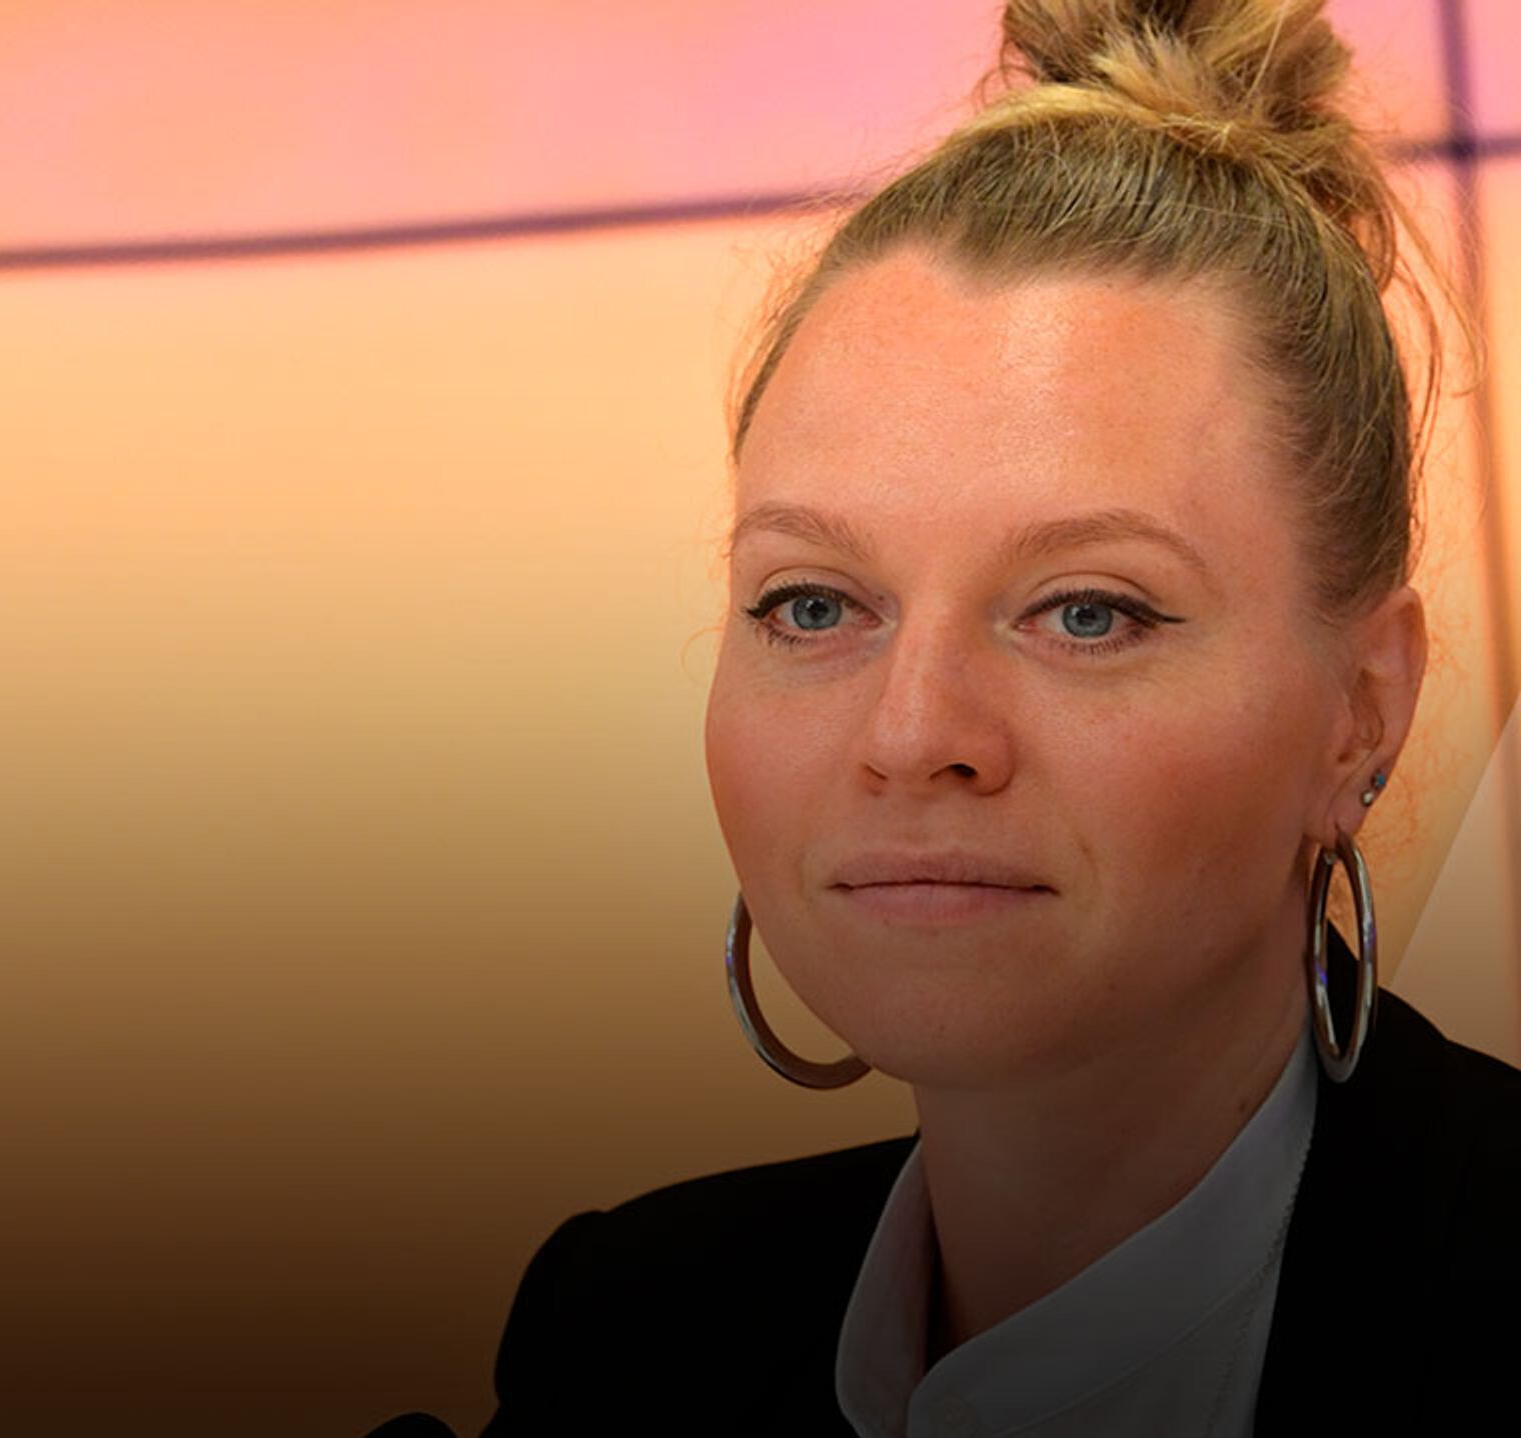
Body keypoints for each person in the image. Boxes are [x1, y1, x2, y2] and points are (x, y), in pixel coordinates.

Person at [369, 2, 1521, 1435]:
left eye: (1087, 612)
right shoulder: (620, 1341)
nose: (912, 734)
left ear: (1362, 710)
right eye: (812, 604)